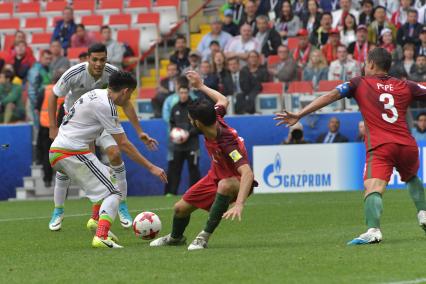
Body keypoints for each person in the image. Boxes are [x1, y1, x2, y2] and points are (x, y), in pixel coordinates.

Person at [275, 47, 426, 245]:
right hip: (407, 145)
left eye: (365, 63)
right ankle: (423, 213)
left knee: (373, 186)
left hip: (381, 146)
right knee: (412, 178)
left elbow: (330, 96)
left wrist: (300, 114)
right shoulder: (405, 85)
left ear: (371, 64)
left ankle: (373, 230)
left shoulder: (359, 83)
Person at [49, 71, 167, 248]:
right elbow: (124, 144)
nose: (129, 100)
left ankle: (96, 221)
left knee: (109, 178)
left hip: (61, 150)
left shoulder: (95, 94)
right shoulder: (107, 105)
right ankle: (101, 236)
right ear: (125, 91)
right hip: (70, 152)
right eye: (131, 95)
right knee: (115, 192)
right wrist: (151, 167)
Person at [150, 70, 256, 251]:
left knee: (224, 185)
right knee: (179, 209)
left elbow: (247, 173)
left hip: (238, 182)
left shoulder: (226, 143)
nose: (189, 120)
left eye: (190, 119)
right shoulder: (215, 115)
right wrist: (200, 86)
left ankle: (203, 237)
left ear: (197, 123)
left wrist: (239, 203)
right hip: (214, 176)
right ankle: (176, 238)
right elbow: (223, 100)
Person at [165, 85, 201, 196]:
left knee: (193, 170)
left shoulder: (194, 106)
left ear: (189, 92)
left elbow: (199, 126)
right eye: (181, 92)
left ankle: (195, 193)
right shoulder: (175, 108)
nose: (183, 95)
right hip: (178, 145)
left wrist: (188, 134)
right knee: (176, 169)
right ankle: (172, 192)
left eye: (185, 92)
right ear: (178, 93)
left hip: (192, 145)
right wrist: (174, 133)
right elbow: (171, 124)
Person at [38, 71, 64, 187]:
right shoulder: (66, 91)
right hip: (61, 127)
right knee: (62, 155)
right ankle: (63, 182)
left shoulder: (45, 90)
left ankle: (47, 179)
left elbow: (37, 106)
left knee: (46, 154)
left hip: (44, 126)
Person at [27, 50, 52, 127]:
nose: (48, 61)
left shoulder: (48, 69)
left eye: (50, 59)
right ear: (40, 58)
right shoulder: (35, 70)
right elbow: (31, 90)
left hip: (45, 102)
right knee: (37, 126)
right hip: (37, 103)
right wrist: (36, 106)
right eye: (46, 58)